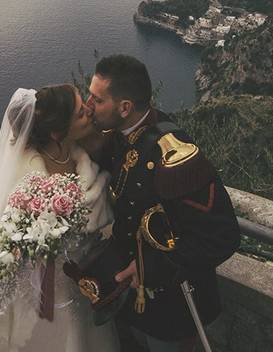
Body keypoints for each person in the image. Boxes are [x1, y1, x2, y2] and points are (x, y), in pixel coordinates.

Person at [85, 55, 240, 352]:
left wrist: (152, 268)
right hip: (130, 300)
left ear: (125, 107)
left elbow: (222, 237)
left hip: (172, 308)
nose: (88, 105)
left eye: (96, 99)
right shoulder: (119, 137)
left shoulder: (174, 156)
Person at [0, 85, 122, 352]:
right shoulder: (23, 177)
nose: (89, 113)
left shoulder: (83, 153)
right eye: (81, 113)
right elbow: (6, 243)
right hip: (33, 291)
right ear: (58, 132)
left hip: (79, 281)